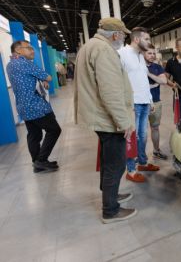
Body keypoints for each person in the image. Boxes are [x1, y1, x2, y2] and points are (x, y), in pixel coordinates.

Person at [74, 17, 136, 223]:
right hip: (107, 119)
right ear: (116, 35)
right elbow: (110, 91)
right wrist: (124, 121)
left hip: (99, 116)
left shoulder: (89, 46)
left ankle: (111, 194)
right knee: (115, 165)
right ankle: (110, 209)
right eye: (124, 35)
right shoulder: (104, 50)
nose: (124, 39)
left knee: (109, 161)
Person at [7, 40, 61, 173]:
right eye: (29, 48)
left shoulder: (11, 64)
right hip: (35, 106)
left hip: (23, 106)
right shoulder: (25, 63)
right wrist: (45, 78)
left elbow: (29, 79)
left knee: (34, 134)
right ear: (18, 50)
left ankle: (37, 163)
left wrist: (41, 80)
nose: (32, 51)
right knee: (54, 130)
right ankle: (41, 160)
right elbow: (48, 77)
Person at [118, 27, 159, 183]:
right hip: (132, 104)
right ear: (136, 39)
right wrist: (126, 103)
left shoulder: (141, 56)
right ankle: (131, 170)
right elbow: (119, 81)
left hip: (144, 102)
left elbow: (143, 79)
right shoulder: (122, 54)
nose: (149, 42)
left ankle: (142, 162)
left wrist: (150, 99)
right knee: (131, 137)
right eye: (147, 39)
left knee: (142, 136)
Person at [144, 45, 169, 160]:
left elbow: (163, 81)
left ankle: (156, 150)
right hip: (141, 104)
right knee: (141, 131)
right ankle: (140, 154)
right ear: (143, 53)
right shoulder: (136, 67)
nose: (152, 55)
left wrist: (148, 74)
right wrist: (154, 84)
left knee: (155, 128)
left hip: (156, 102)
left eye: (154, 53)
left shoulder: (157, 67)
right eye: (149, 53)